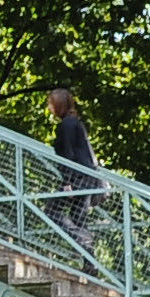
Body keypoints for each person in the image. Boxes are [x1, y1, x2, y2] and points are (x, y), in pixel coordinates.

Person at [46, 87, 99, 256]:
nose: (49, 107)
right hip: (87, 177)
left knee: (51, 211)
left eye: (51, 104)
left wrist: (67, 182)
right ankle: (89, 263)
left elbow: (68, 154)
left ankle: (81, 239)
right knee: (79, 219)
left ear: (58, 105)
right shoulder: (76, 122)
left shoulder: (67, 125)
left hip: (77, 178)